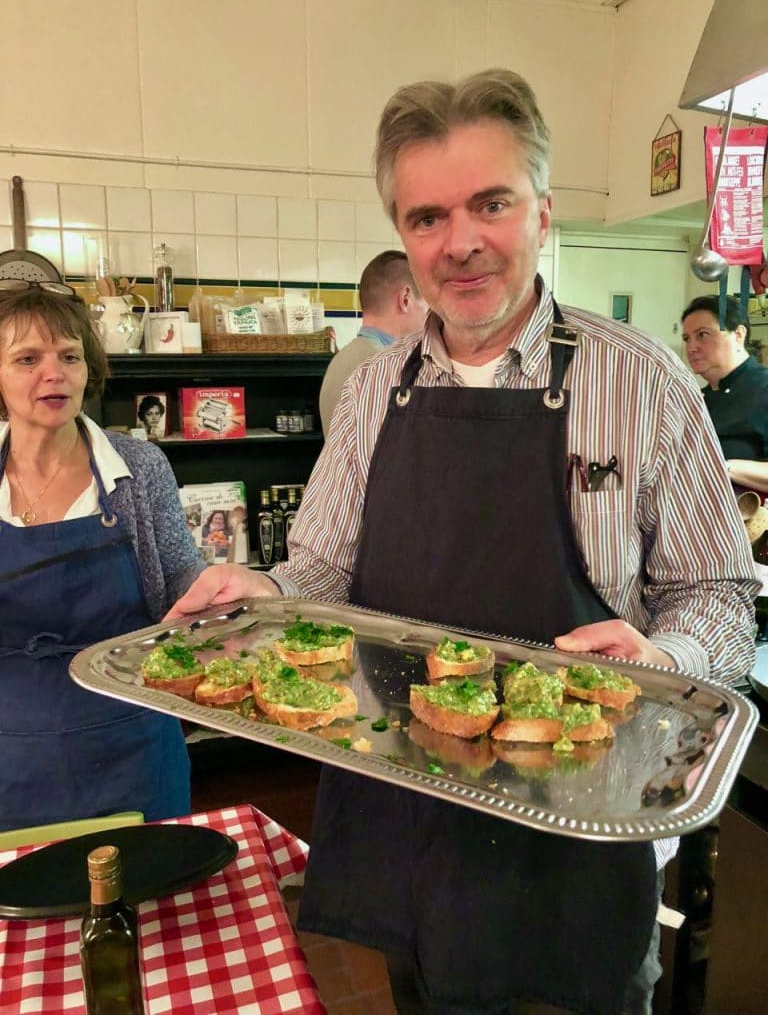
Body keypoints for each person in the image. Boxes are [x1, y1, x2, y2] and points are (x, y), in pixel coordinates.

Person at [167, 70, 758, 1014]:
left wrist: (664, 656)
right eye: (429, 216)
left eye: (492, 203)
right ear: (404, 235)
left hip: (583, 818)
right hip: (412, 820)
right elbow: (320, 570)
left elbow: (722, 595)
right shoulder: (372, 392)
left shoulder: (643, 381)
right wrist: (258, 586)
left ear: (543, 209)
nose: (463, 242)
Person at [0, 284, 207, 831]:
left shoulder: (139, 468)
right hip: (12, 759)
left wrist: (213, 592)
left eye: (70, 356)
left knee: (150, 904)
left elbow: (181, 574)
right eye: (27, 359)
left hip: (133, 743)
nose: (55, 372)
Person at [319, 250, 428, 435]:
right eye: (427, 306)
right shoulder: (384, 370)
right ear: (405, 299)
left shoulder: (340, 361)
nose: (428, 319)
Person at [682, 295, 768, 496]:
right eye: (687, 339)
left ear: (738, 334)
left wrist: (723, 467)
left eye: (702, 334)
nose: (691, 347)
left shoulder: (764, 389)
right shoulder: (695, 398)